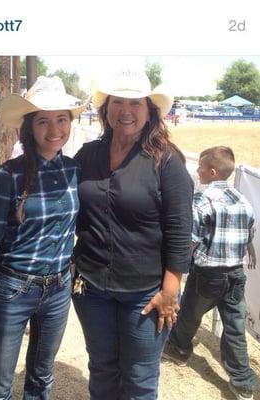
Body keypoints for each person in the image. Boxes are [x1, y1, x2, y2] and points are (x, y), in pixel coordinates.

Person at [71, 69, 194, 400]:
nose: (126, 110)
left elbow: (181, 230)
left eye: (136, 103)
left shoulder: (167, 162)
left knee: (139, 379)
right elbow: (56, 187)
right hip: (90, 287)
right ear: (106, 108)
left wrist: (170, 290)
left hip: (146, 292)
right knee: (102, 369)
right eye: (118, 102)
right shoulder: (88, 155)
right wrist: (13, 182)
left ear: (150, 111)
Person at [0, 76, 85, 399]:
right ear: (30, 127)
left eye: (62, 119)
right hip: (11, 289)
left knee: (42, 377)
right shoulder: (8, 175)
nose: (55, 129)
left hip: (58, 289)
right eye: (44, 121)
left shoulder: (76, 171)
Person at [162, 146, 257, 400]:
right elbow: (249, 234)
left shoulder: (202, 200)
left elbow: (191, 239)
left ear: (211, 172)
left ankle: (178, 350)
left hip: (208, 273)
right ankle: (243, 382)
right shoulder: (242, 199)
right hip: (236, 273)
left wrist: (176, 266)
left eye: (201, 167)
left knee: (190, 314)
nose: (197, 170)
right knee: (235, 327)